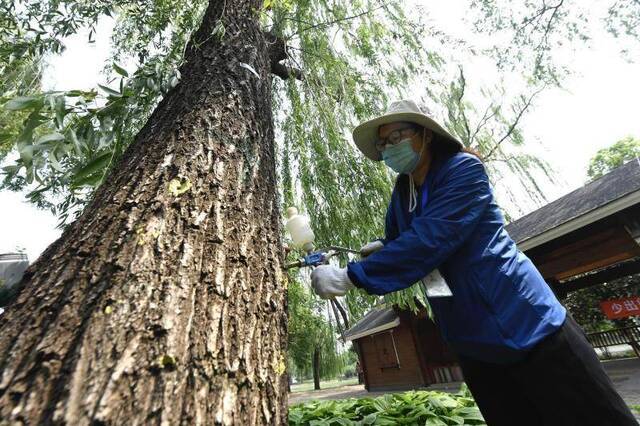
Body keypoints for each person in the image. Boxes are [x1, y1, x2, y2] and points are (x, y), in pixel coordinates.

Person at [310, 100, 637, 426]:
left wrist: (350, 276)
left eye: (396, 137)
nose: (389, 148)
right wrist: (383, 248)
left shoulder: (462, 168)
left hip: (528, 325)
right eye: (383, 143)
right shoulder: (402, 191)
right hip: (470, 339)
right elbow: (403, 241)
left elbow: (431, 239)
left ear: (425, 134)